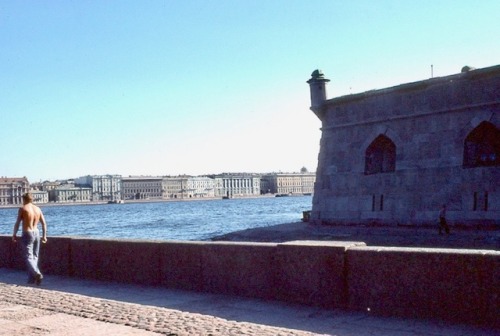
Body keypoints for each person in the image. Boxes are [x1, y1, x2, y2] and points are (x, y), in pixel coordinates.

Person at [12, 193, 48, 285]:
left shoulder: (23, 208)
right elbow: (44, 223)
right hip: (37, 232)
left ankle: (37, 273)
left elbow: (17, 223)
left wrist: (14, 234)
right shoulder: (38, 209)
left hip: (27, 233)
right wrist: (44, 236)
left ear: (24, 199)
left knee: (28, 257)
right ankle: (32, 279)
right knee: (35, 256)